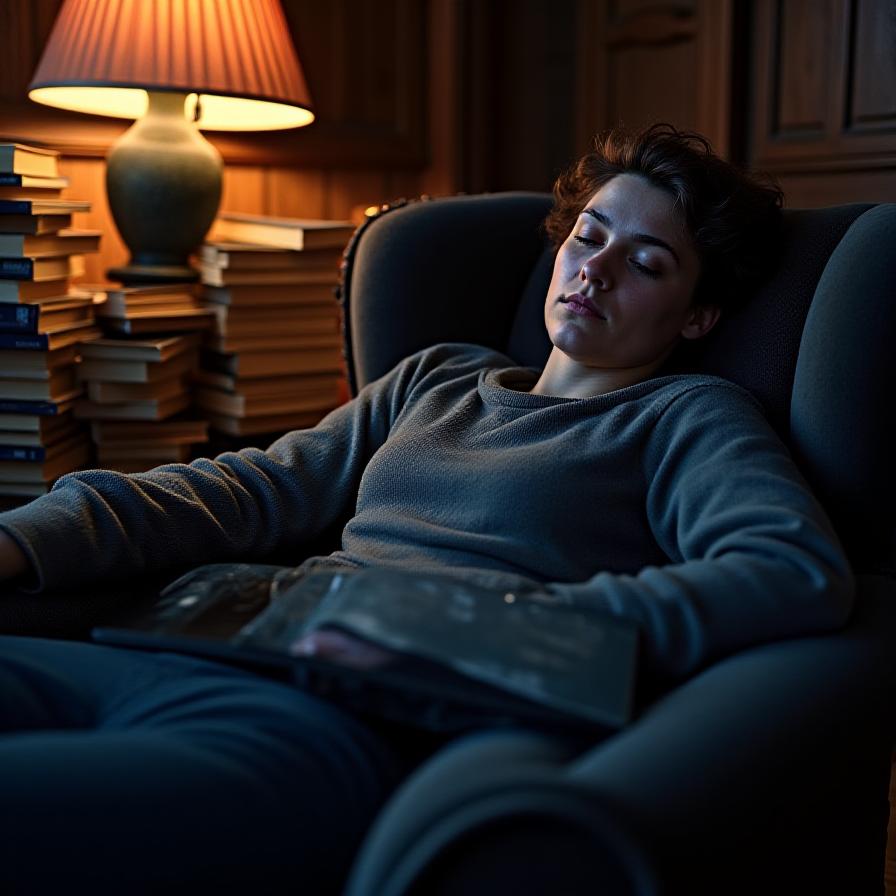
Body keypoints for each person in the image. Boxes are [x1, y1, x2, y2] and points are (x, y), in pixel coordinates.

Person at [0, 124, 852, 893]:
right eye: (588, 237)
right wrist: (21, 539)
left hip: (324, 725)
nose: (594, 268)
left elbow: (789, 569)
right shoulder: (436, 377)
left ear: (698, 314)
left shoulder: (685, 415)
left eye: (645, 262)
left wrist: (494, 626)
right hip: (190, 650)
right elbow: (252, 487)